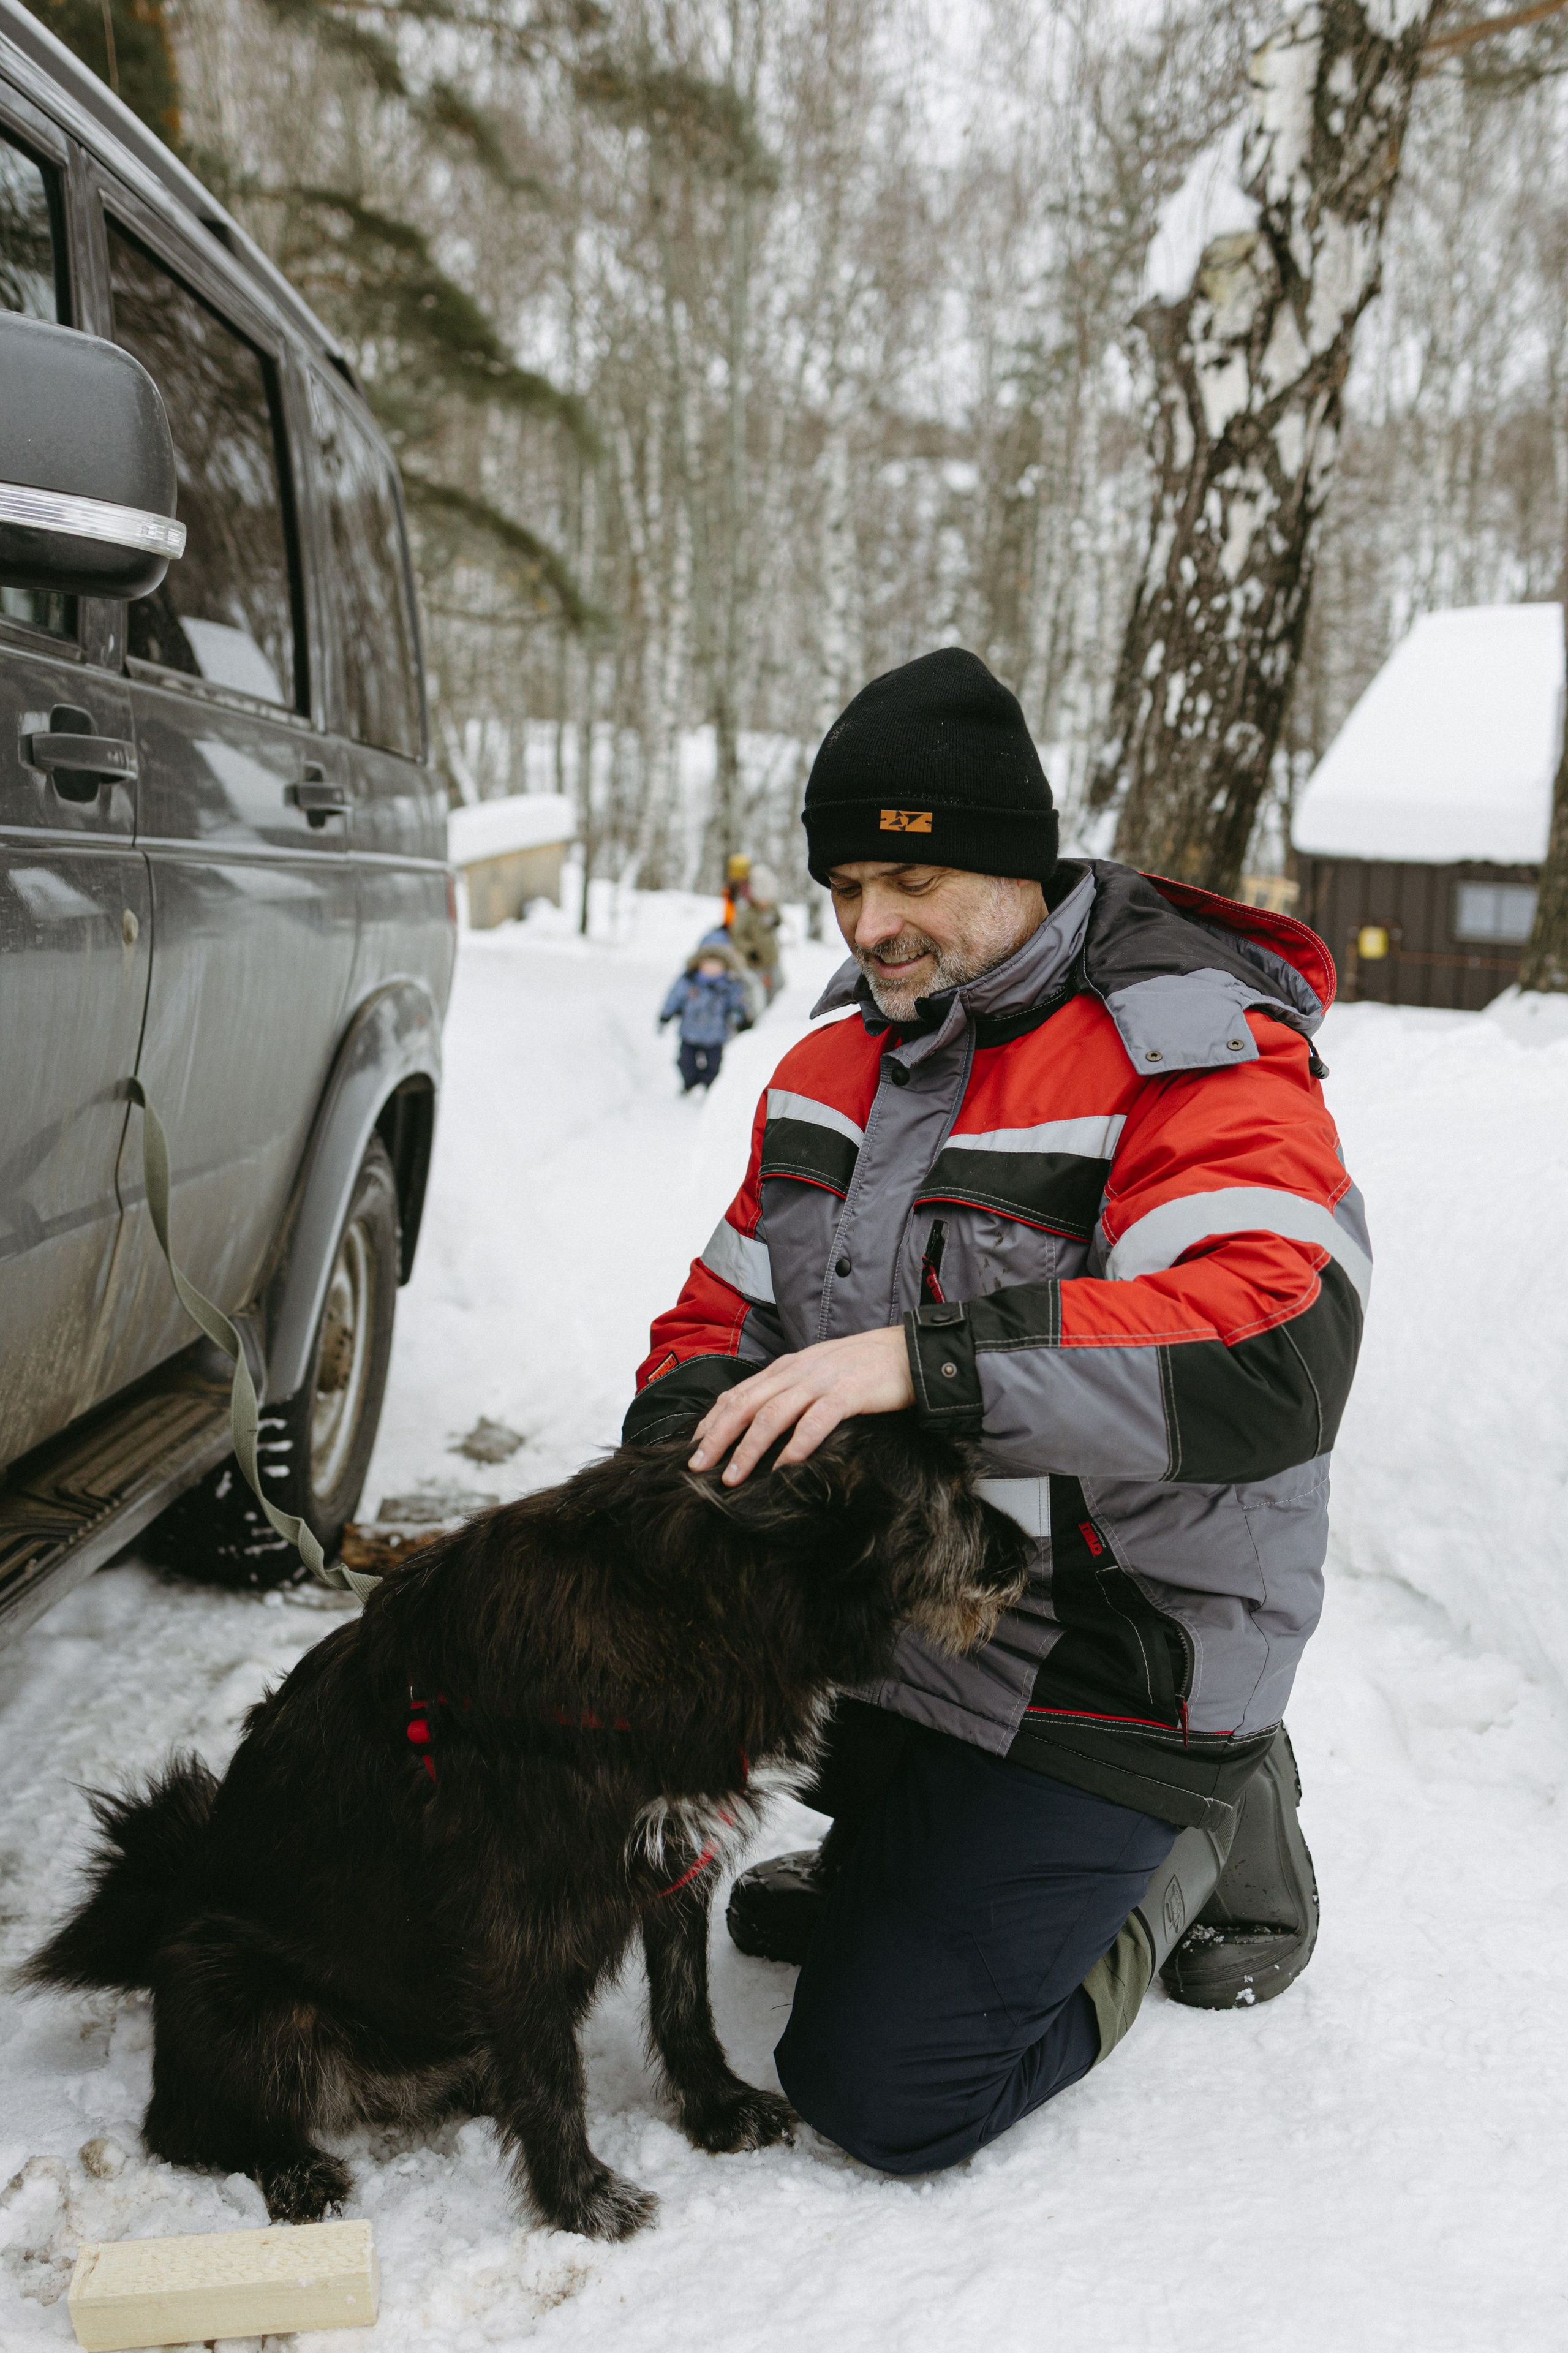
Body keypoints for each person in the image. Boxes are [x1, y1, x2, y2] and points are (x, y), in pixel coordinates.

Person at [624, 646, 1367, 2177]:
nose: (864, 923)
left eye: (908, 871)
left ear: (1016, 862)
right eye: (842, 882)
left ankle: (1198, 1827)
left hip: (1118, 1632)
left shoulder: (1188, 1039)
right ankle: (927, 1840)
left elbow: (1267, 1348)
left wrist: (920, 1361)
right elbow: (721, 1314)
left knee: (882, 2086)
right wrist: (689, 1437)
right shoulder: (836, 1057)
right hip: (913, 1603)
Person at [658, 948, 750, 1094]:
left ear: (725, 967)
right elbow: (674, 998)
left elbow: (738, 1005)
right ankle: (690, 1082)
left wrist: (739, 1019)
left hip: (715, 1034)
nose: (712, 969)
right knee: (685, 1062)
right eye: (708, 965)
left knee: (714, 1066)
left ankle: (710, 1086)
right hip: (690, 1032)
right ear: (699, 965)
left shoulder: (730, 986)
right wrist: (665, 1016)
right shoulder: (689, 982)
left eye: (717, 966)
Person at [729, 860, 783, 1003]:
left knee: (778, 985)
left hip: (771, 958)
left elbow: (778, 919)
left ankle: (772, 1014)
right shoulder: (747, 913)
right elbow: (738, 935)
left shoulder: (771, 908)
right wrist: (749, 950)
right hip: (755, 961)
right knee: (757, 992)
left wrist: (777, 921)